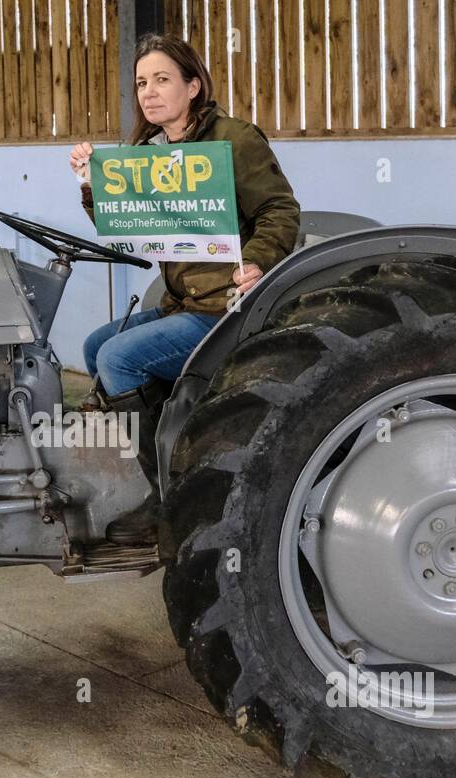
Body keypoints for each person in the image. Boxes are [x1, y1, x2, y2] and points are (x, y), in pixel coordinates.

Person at [69, 32, 301, 547]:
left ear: (193, 85)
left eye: (162, 80)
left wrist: (259, 261)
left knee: (118, 360)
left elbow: (280, 212)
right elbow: (127, 224)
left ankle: (168, 499)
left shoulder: (234, 140)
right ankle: (178, 438)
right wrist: (92, 183)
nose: (148, 93)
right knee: (93, 348)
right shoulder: (147, 152)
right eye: (140, 84)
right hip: (183, 299)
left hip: (225, 305)